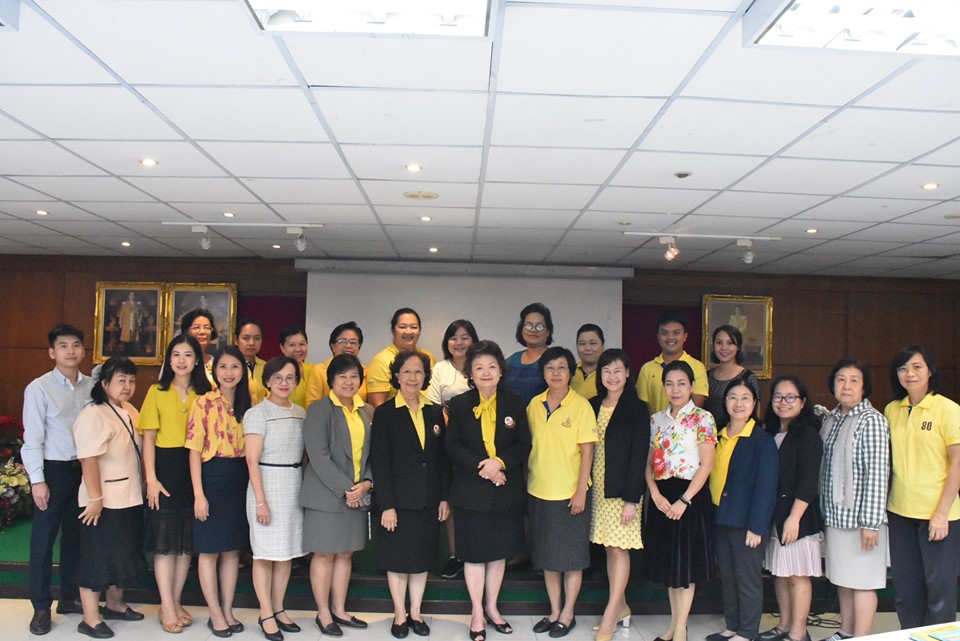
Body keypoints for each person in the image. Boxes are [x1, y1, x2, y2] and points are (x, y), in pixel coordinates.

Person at [446, 340, 532, 641]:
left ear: (501, 371)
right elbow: (452, 445)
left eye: (491, 367)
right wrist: (484, 466)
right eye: (479, 367)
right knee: (473, 555)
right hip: (470, 490)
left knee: (498, 554)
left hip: (506, 491)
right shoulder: (458, 404)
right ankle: (476, 613)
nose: (486, 372)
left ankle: (492, 608)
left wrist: (500, 463)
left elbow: (524, 444)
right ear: (470, 372)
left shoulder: (515, 403)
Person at [371, 351, 450, 639]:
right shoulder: (385, 412)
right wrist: (387, 505)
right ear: (397, 375)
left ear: (425, 376)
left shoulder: (435, 410)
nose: (413, 377)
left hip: (428, 499)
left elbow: (442, 460)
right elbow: (380, 462)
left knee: (420, 560)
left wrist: (443, 497)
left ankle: (415, 612)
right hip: (398, 502)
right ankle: (399, 614)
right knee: (397, 560)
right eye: (406, 371)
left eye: (418, 372)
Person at [22, 325, 94, 635]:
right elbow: (32, 438)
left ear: (82, 350)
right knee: (44, 541)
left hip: (84, 470)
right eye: (63, 346)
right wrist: (37, 480)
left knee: (76, 538)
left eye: (76, 345)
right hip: (53, 471)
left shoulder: (91, 386)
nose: (70, 351)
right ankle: (40, 607)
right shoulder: (38, 388)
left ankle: (69, 596)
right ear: (52, 352)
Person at [138, 334, 212, 633]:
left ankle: (176, 601)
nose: (182, 360)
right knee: (165, 544)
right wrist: (151, 479)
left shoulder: (206, 393)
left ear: (197, 361)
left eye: (188, 355)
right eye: (176, 355)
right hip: (165, 470)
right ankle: (166, 606)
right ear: (169, 360)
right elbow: (148, 439)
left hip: (195, 470)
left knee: (184, 545)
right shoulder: (157, 391)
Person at [884, 345, 960, 629]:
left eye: (917, 367)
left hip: (938, 515)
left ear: (930, 371)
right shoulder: (892, 409)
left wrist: (941, 513)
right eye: (903, 368)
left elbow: (957, 463)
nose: (910, 373)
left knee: (939, 591)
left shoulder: (948, 410)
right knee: (906, 591)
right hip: (900, 512)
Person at [72, 357, 147, 639]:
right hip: (102, 501)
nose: (127, 386)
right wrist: (95, 498)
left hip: (129, 496)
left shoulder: (129, 409)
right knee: (97, 557)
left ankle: (115, 604)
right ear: (104, 384)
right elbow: (88, 459)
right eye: (121, 380)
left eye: (131, 380)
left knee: (122, 553)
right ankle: (90, 619)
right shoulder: (93, 413)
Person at [526, 346, 598, 638]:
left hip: (570, 494)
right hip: (538, 491)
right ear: (543, 372)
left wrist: (581, 490)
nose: (556, 373)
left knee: (571, 558)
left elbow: (588, 452)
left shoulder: (581, 406)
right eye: (550, 368)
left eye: (562, 368)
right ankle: (554, 611)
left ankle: (568, 614)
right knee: (547, 558)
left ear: (571, 372)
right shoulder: (534, 404)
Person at [301, 353, 373, 637]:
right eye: (342, 376)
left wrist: (366, 483)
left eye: (354, 376)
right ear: (331, 379)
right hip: (326, 495)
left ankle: (340, 610)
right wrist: (347, 489)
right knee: (325, 554)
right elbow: (318, 456)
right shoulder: (320, 410)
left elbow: (372, 454)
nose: (348, 381)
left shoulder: (367, 411)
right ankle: (323, 613)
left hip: (357, 494)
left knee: (345, 553)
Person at [644, 360, 717, 641]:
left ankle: (680, 631)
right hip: (663, 496)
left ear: (692, 386)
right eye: (670, 384)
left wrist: (684, 500)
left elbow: (706, 465)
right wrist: (655, 494)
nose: (675, 390)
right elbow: (649, 463)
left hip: (690, 496)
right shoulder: (656, 420)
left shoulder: (703, 418)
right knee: (670, 567)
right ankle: (675, 626)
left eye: (681, 384)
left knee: (685, 568)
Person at [819, 357, 889, 641]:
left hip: (861, 520)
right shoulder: (833, 418)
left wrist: (870, 524)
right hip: (836, 516)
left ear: (864, 387)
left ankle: (862, 637)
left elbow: (877, 473)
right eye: (841, 379)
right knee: (843, 579)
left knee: (862, 582)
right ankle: (846, 632)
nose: (846, 386)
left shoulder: (871, 421)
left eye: (854, 381)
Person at [186, 346, 252, 637]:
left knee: (232, 551)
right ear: (214, 371)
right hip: (212, 478)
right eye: (223, 367)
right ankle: (214, 613)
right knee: (210, 550)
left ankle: (227, 609)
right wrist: (199, 494)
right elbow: (193, 451)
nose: (229, 373)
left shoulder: (251, 404)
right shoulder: (203, 402)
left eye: (235, 367)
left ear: (243, 371)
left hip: (240, 479)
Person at [707, 376, 778, 641]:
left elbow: (766, 487)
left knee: (747, 579)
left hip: (746, 522)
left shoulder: (762, 440)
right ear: (725, 402)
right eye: (733, 397)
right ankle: (732, 625)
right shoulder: (718, 435)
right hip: (720, 516)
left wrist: (757, 527)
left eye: (745, 398)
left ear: (755, 404)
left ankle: (748, 631)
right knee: (727, 576)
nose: (738, 403)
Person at [244, 356, 306, 641]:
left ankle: (279, 607)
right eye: (278, 378)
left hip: (293, 486)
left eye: (290, 378)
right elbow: (251, 460)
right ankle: (266, 612)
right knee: (265, 554)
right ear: (267, 381)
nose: (284, 383)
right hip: (266, 485)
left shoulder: (301, 413)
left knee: (285, 554)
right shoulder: (257, 413)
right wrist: (261, 500)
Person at [589, 349, 649, 641]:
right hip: (597, 489)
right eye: (606, 371)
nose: (612, 377)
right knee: (608, 547)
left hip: (622, 491)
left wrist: (631, 499)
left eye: (617, 371)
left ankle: (611, 614)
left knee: (618, 548)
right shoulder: (592, 405)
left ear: (627, 373)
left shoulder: (636, 408)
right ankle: (622, 606)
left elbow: (640, 454)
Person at [759, 376, 823, 641]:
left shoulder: (807, 434)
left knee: (797, 575)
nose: (783, 402)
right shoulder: (770, 433)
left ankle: (798, 632)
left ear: (802, 402)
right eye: (778, 396)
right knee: (780, 573)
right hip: (775, 515)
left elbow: (809, 481)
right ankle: (784, 625)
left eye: (790, 397)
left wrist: (794, 518)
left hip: (797, 517)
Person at [426, 319, 480, 581]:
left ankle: (476, 554)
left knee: (476, 501)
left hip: (479, 445)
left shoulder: (480, 366)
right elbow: (434, 405)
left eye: (464, 337)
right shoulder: (440, 368)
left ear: (474, 340)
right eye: (453, 337)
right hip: (448, 443)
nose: (459, 342)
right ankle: (456, 556)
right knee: (451, 500)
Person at [636, 311, 708, 414]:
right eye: (664, 333)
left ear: (685, 336)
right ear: (658, 337)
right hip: (656, 423)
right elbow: (643, 408)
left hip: (687, 424)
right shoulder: (647, 369)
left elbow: (697, 408)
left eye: (676, 333)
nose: (670, 337)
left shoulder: (697, 367)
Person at [367, 308, 436, 408]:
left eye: (414, 327)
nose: (408, 331)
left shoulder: (428, 357)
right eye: (402, 327)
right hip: (395, 416)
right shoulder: (381, 361)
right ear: (393, 330)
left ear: (420, 330)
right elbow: (377, 405)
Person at [706, 325, 760, 430]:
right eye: (719, 343)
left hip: (736, 434)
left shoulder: (747, 377)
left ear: (738, 346)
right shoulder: (707, 376)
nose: (724, 348)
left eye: (730, 343)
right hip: (707, 434)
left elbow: (755, 415)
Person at [305, 322, 368, 406]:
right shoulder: (319, 370)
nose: (348, 346)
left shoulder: (365, 371)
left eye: (353, 342)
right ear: (332, 346)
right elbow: (312, 404)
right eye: (343, 341)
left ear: (359, 346)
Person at [505, 303, 553, 405]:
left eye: (539, 326)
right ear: (521, 330)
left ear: (548, 331)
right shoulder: (511, 361)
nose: (533, 330)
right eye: (528, 325)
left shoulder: (555, 360)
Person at [278, 326, 313, 410]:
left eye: (302, 344)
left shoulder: (312, 369)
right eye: (292, 345)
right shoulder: (276, 371)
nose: (298, 349)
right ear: (282, 348)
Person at [235, 318, 268, 406]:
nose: (252, 343)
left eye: (257, 338)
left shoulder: (267, 367)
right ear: (236, 340)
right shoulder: (230, 368)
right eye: (246, 338)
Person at [181, 309, 218, 384]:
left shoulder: (216, 364)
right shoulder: (177, 362)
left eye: (207, 327)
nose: (202, 332)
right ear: (186, 331)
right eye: (196, 327)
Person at [571, 324, 604, 400]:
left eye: (593, 343)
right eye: (582, 344)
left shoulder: (609, 374)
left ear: (602, 345)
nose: (587, 348)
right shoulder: (569, 372)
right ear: (576, 346)